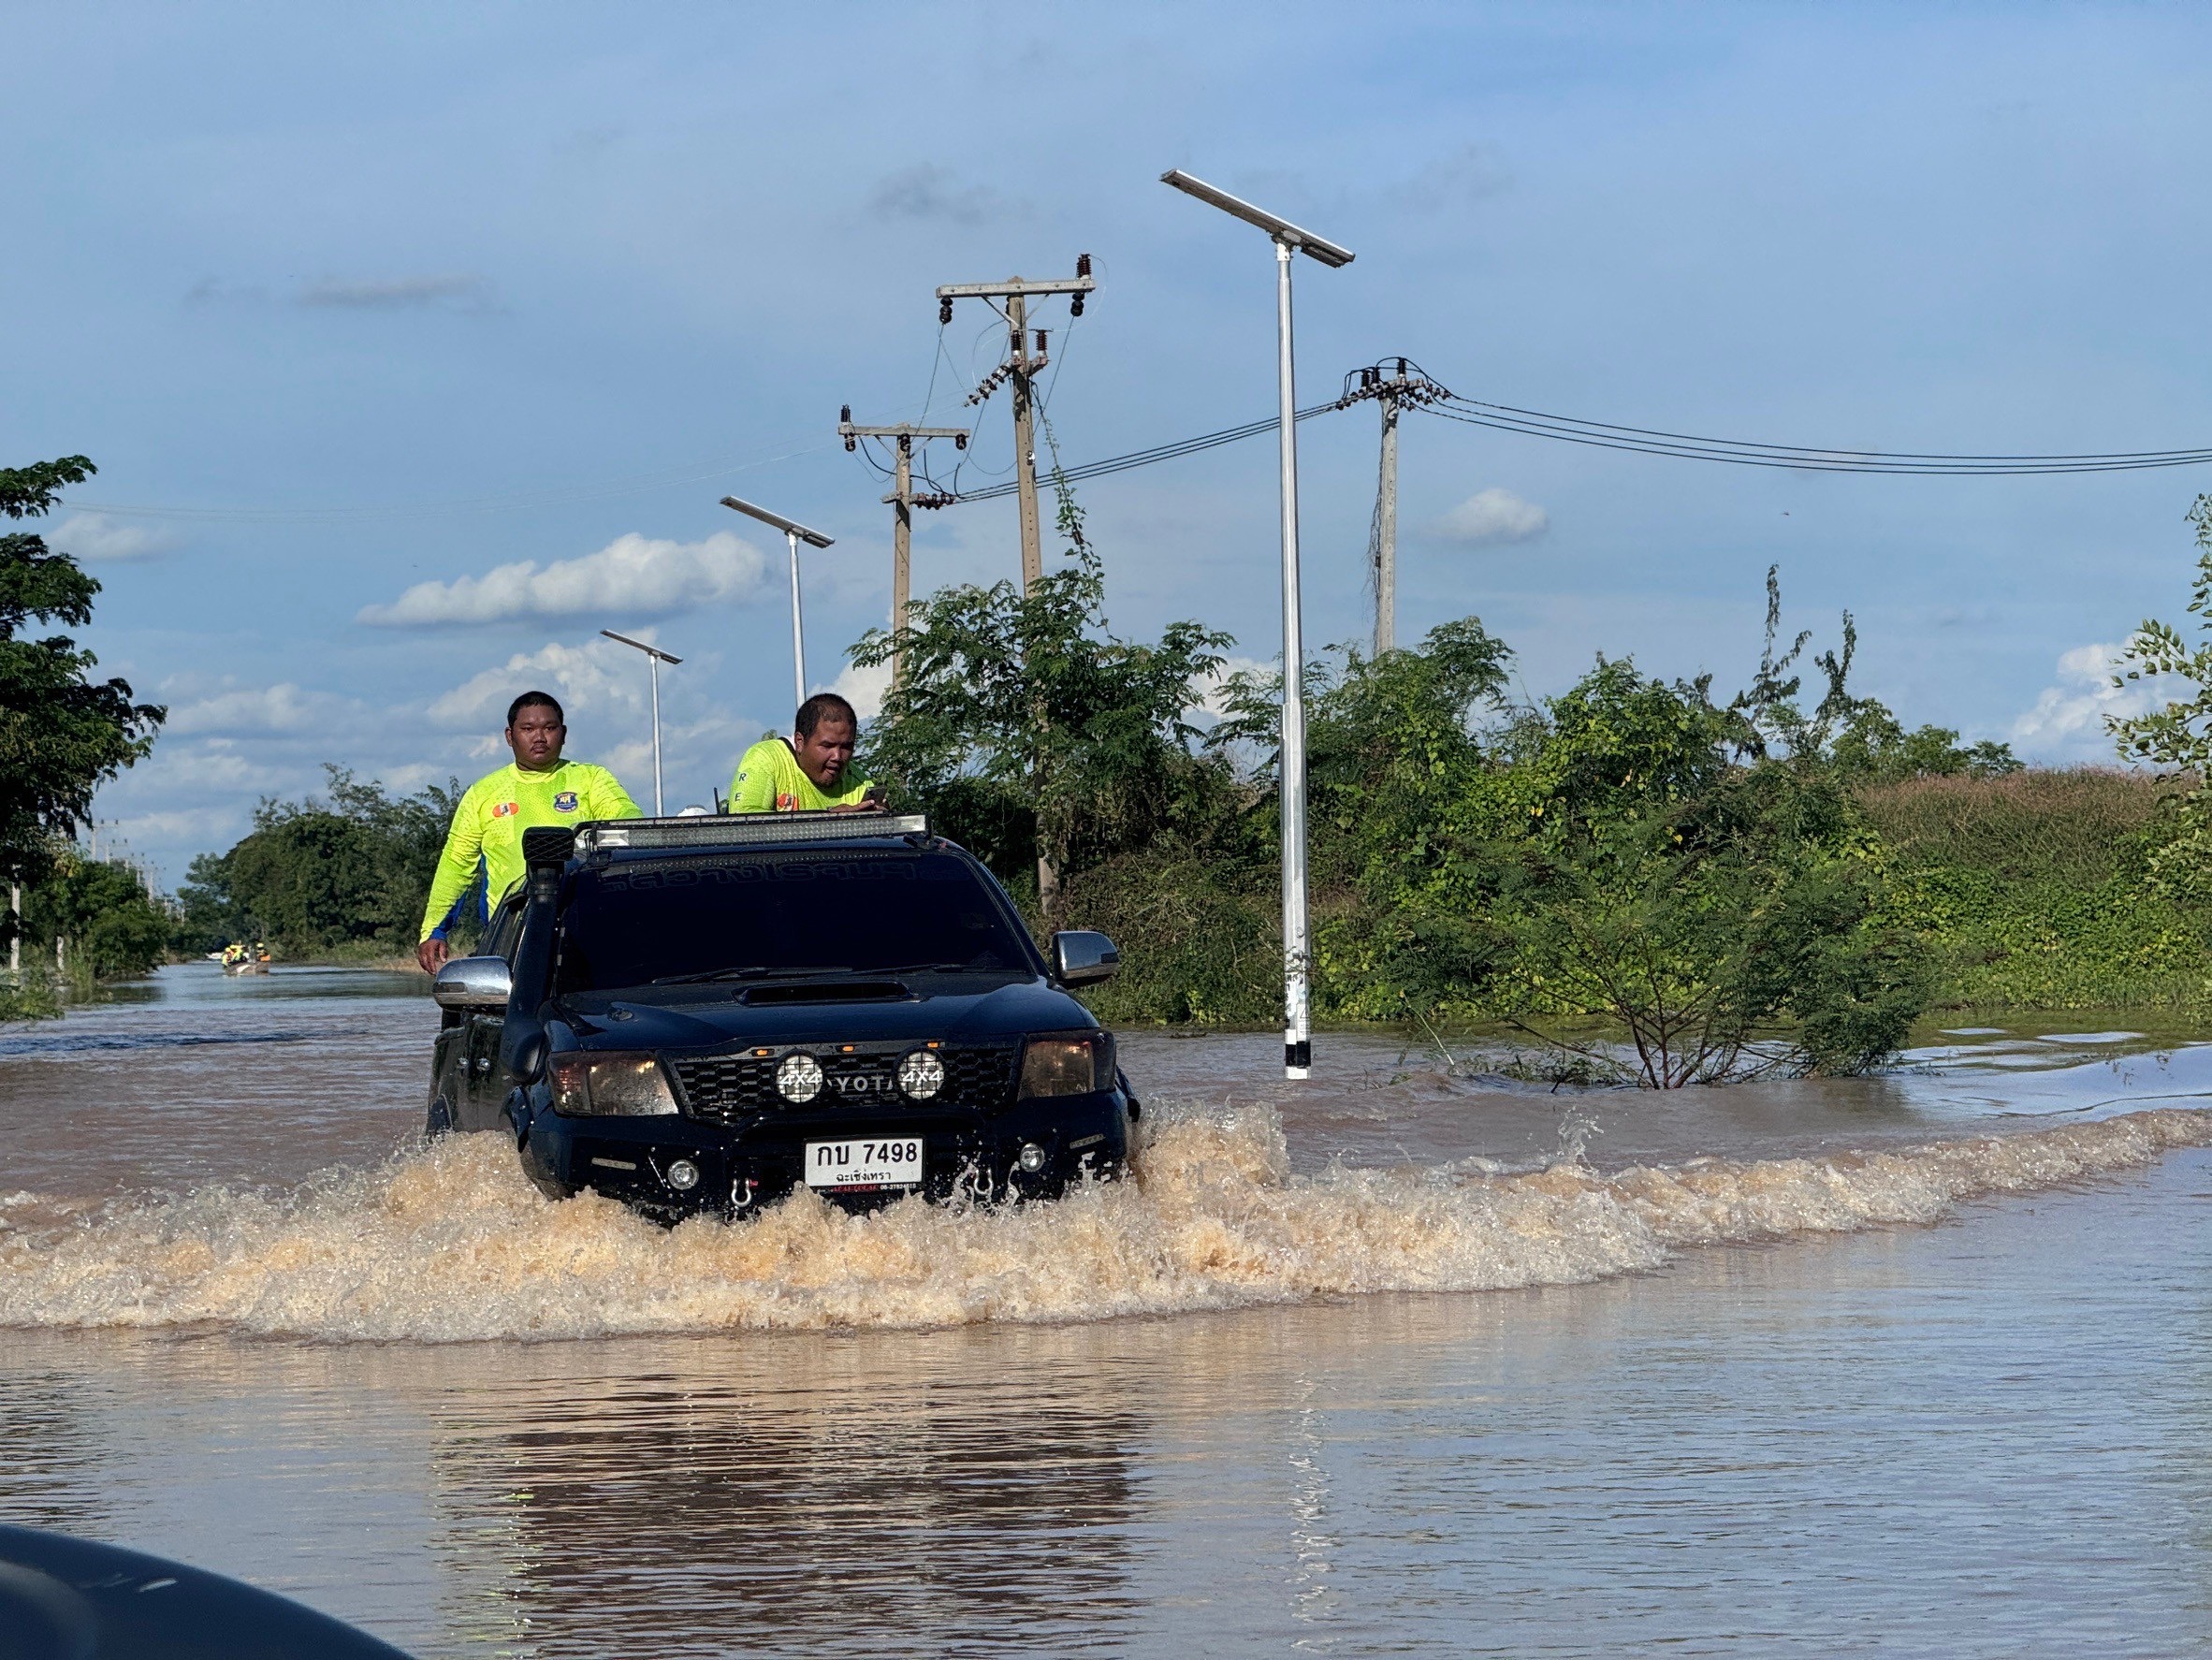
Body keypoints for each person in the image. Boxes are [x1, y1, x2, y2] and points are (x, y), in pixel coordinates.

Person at [416, 691, 641, 974]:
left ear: (564, 733)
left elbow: (627, 820)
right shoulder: (483, 794)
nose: (539, 737)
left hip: (583, 927)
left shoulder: (591, 779)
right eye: (528, 729)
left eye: (549, 728)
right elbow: (456, 864)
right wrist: (434, 930)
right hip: (510, 931)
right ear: (510, 736)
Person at [727, 692, 883, 814]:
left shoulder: (859, 783)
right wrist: (831, 823)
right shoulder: (765, 759)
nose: (837, 756)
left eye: (846, 747)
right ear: (800, 742)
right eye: (827, 746)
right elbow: (742, 823)